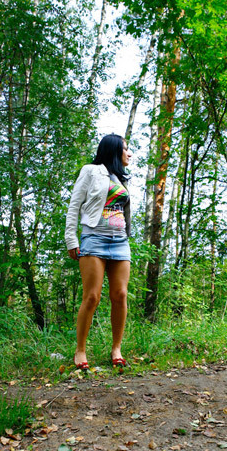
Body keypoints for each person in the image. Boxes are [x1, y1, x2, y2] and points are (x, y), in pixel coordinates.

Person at [65, 133, 132, 370]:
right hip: (94, 239)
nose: (129, 153)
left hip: (120, 241)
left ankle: (116, 349)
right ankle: (80, 351)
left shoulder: (121, 179)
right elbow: (75, 205)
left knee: (120, 295)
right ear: (114, 150)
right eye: (125, 149)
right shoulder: (91, 171)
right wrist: (71, 238)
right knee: (92, 297)